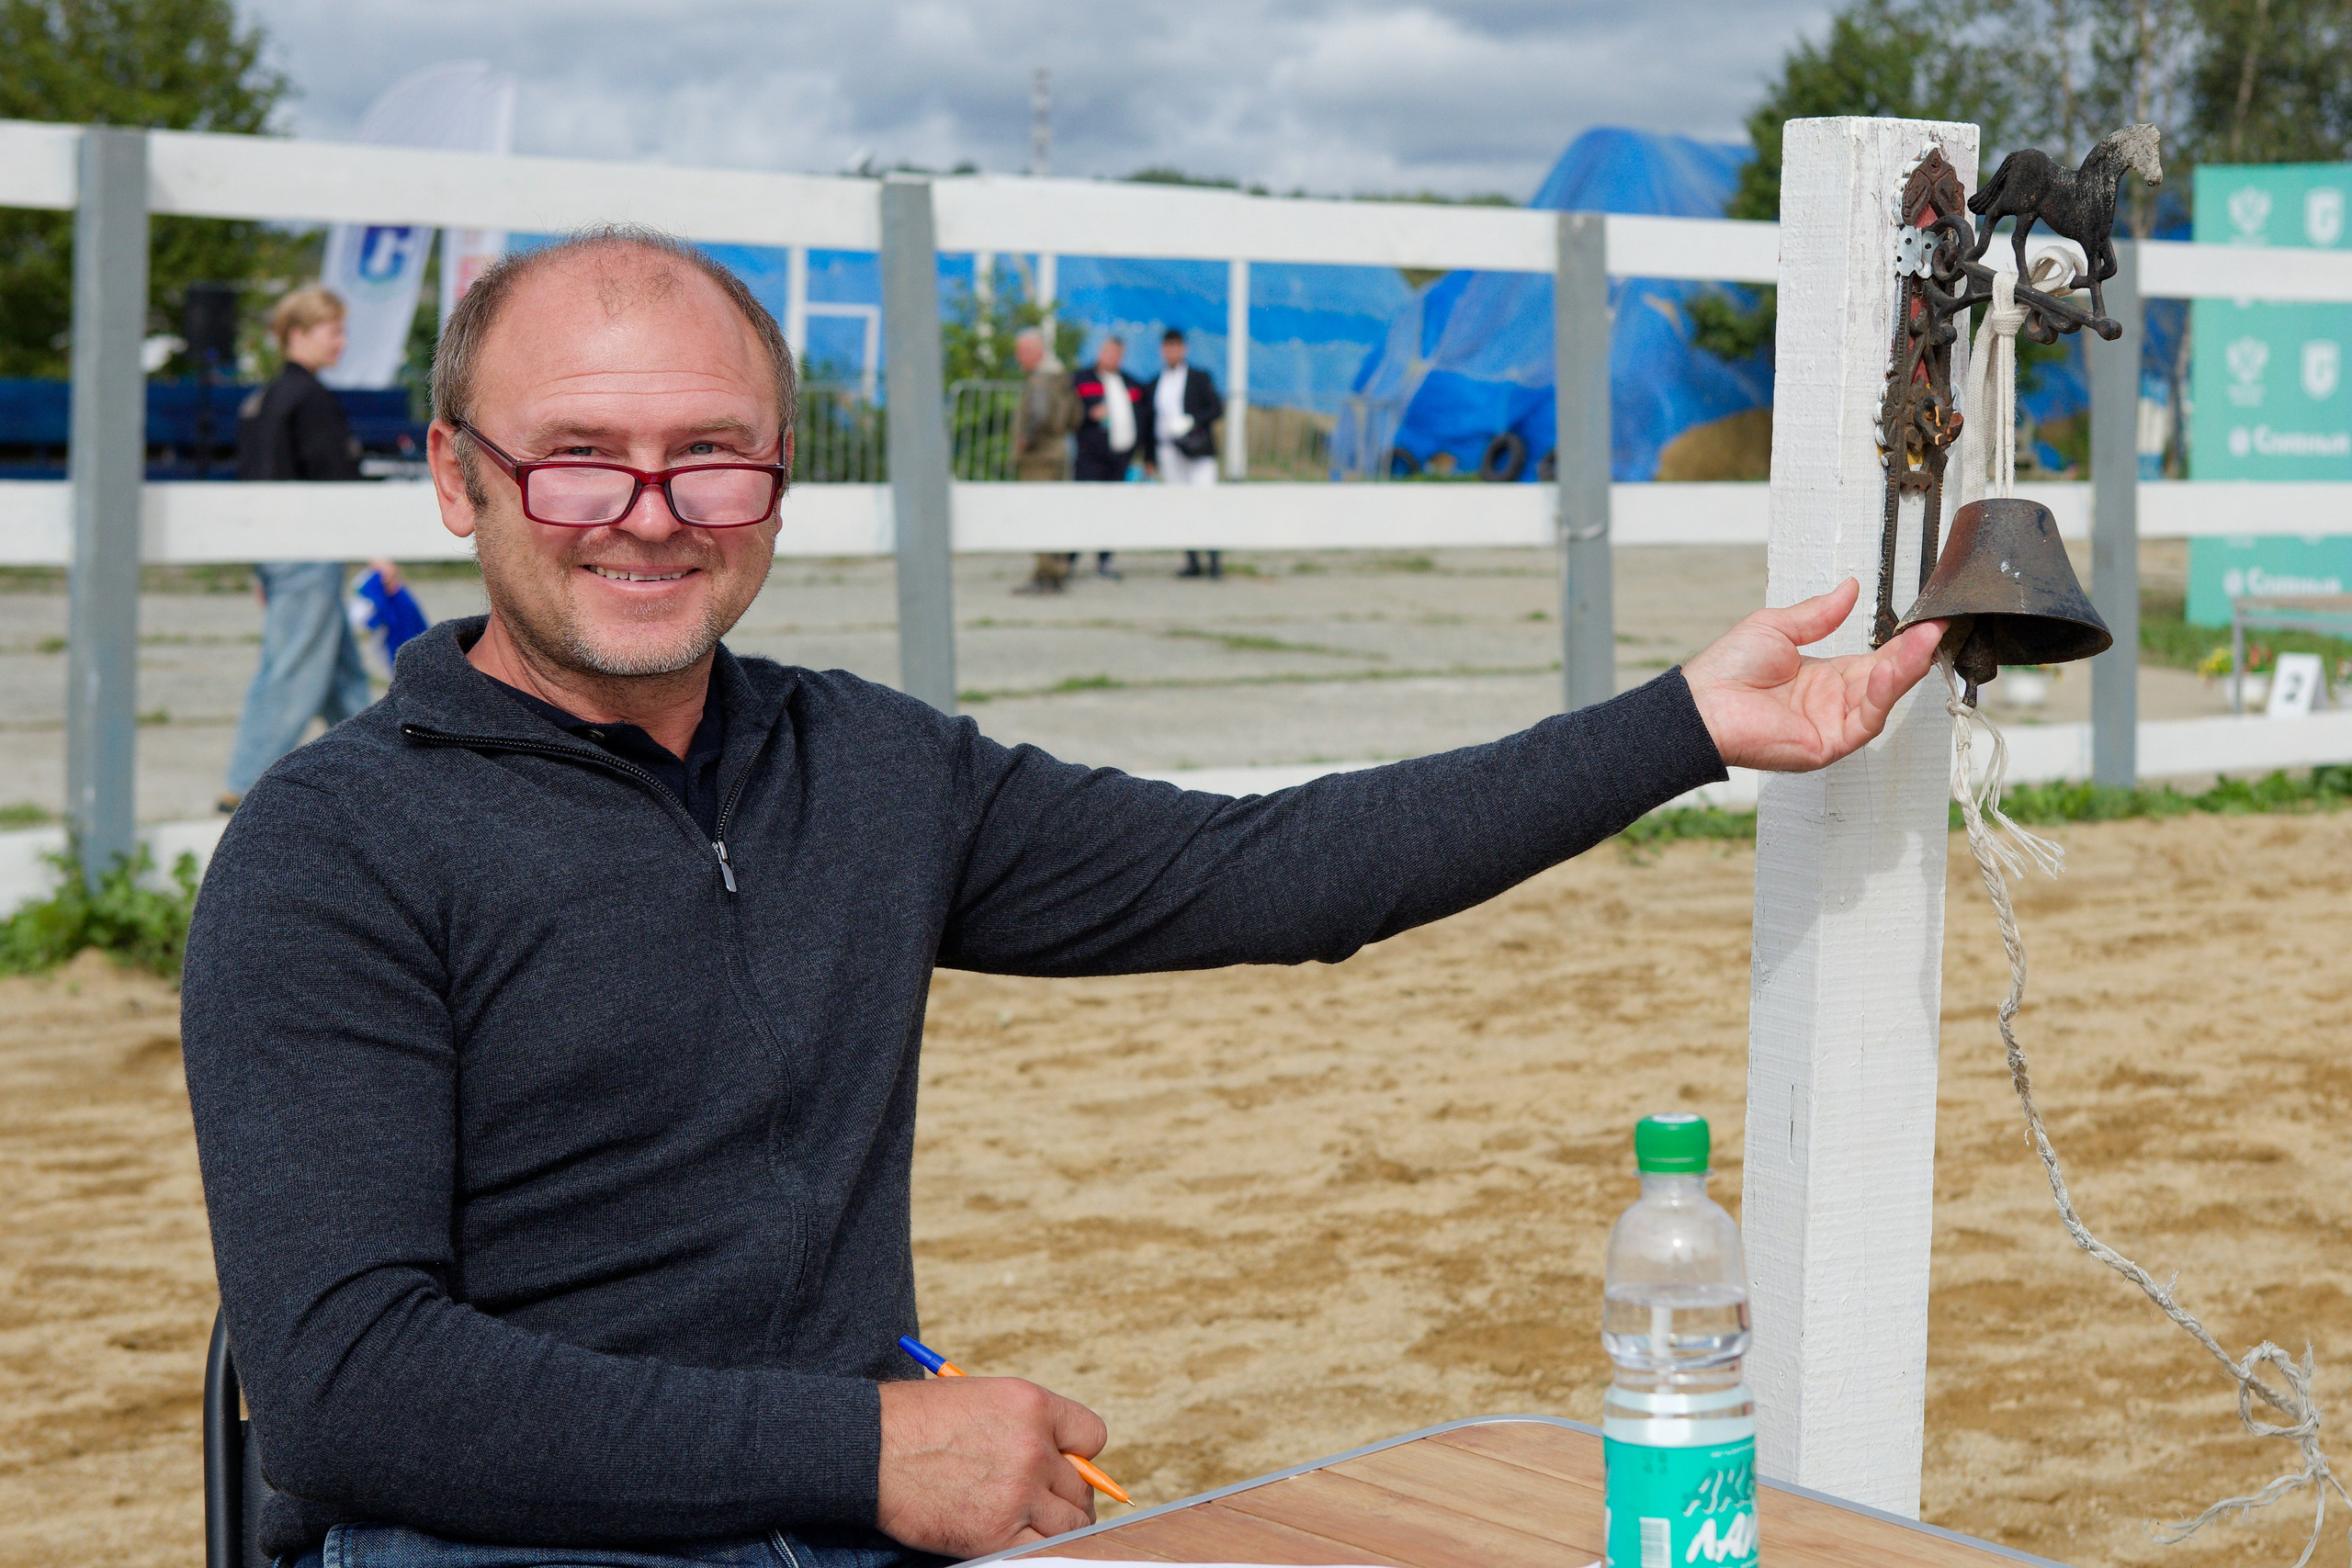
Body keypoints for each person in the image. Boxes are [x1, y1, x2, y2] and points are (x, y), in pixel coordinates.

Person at [180, 225, 1947, 1568]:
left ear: (782, 480)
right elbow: (349, 1391)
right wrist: (869, 1455)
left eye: (711, 453)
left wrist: (1683, 727)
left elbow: (1270, 871)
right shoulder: (335, 850)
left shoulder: (865, 769)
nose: (649, 514)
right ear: (454, 474)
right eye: (579, 453)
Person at [217, 285, 401, 814]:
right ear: (298, 333)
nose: (342, 342)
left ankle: (375, 769)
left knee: (340, 672)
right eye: (334, 330)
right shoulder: (312, 401)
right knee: (293, 667)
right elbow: (332, 486)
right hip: (306, 550)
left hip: (275, 550)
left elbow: (254, 484)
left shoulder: (262, 401)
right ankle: (244, 780)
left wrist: (261, 569)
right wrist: (375, 551)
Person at [1143, 327, 1225, 579]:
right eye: (1168, 348)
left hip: (1197, 449)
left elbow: (1217, 409)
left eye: (1176, 347)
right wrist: (1149, 457)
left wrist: (1191, 421)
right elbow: (1149, 422)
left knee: (1205, 501)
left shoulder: (1200, 377)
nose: (1172, 352)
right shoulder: (1155, 382)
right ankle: (1191, 560)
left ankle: (1214, 561)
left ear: (1184, 349)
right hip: (1168, 450)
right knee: (1179, 504)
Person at [1010, 327, 1080, 595]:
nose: (1019, 358)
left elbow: (1037, 414)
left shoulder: (1040, 380)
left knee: (1037, 514)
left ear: (1035, 351)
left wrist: (1025, 439)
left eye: (1022, 352)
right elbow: (1076, 415)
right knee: (1056, 513)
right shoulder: (1061, 378)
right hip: (1059, 453)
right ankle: (1058, 571)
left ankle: (1045, 573)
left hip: (1039, 457)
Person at [1069, 334, 1145, 581]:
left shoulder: (1131, 383)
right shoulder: (1081, 379)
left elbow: (1144, 416)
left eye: (1117, 354)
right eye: (1108, 352)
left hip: (1120, 457)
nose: (1112, 358)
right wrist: (1090, 415)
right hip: (1090, 456)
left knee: (1112, 508)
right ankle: (1069, 559)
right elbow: (1070, 413)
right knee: (1082, 506)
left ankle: (1105, 559)